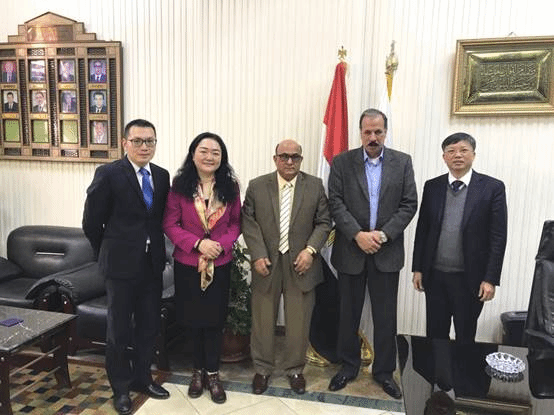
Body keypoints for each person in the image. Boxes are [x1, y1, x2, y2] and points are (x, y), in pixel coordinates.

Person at [327, 108, 417, 399]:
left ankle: (384, 372)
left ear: (385, 132)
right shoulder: (342, 162)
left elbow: (409, 204)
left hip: (386, 251)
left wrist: (382, 235)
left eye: (378, 131)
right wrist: (358, 235)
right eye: (368, 132)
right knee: (348, 314)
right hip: (350, 251)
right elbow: (335, 202)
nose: (373, 137)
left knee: (385, 317)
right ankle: (348, 366)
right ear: (360, 133)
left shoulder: (402, 162)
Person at [82, 119, 170, 415]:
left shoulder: (162, 175)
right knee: (118, 331)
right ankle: (120, 388)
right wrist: (106, 251)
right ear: (124, 143)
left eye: (150, 141)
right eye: (138, 141)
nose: (145, 146)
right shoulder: (109, 174)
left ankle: (143, 379)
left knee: (148, 327)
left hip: (151, 265)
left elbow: (157, 220)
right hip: (119, 267)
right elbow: (91, 221)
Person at [412, 132, 507, 393]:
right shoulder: (432, 186)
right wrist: (418, 268)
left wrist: (490, 278)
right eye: (451, 151)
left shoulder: (492, 188)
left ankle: (464, 387)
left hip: (470, 279)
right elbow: (423, 230)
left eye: (463, 150)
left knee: (465, 334)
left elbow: (498, 237)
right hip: (435, 276)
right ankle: (440, 386)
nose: (457, 155)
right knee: (436, 334)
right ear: (444, 157)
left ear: (473, 154)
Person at [242, 139, 331, 395]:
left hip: (301, 263)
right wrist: (257, 254)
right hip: (266, 263)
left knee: (298, 321)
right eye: (284, 156)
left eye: (295, 157)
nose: (289, 161)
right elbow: (248, 221)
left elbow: (324, 222)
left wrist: (310, 251)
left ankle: (295, 370)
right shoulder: (257, 186)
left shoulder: (315, 185)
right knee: (262, 319)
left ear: (301, 159)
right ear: (275, 159)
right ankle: (262, 369)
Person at [163, 132, 241, 404]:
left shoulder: (230, 186)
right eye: (204, 151)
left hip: (220, 262)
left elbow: (236, 223)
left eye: (215, 152)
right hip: (188, 264)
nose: (209, 156)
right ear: (193, 154)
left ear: (222, 157)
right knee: (192, 321)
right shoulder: (179, 185)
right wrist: (198, 244)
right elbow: (170, 224)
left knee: (214, 321)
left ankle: (213, 374)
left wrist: (218, 245)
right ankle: (197, 372)